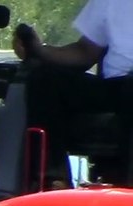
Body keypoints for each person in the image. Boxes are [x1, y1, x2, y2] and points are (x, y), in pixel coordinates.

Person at [15, 0, 133, 185]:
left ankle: (127, 190)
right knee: (44, 78)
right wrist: (38, 50)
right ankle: (52, 182)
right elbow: (85, 52)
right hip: (115, 87)